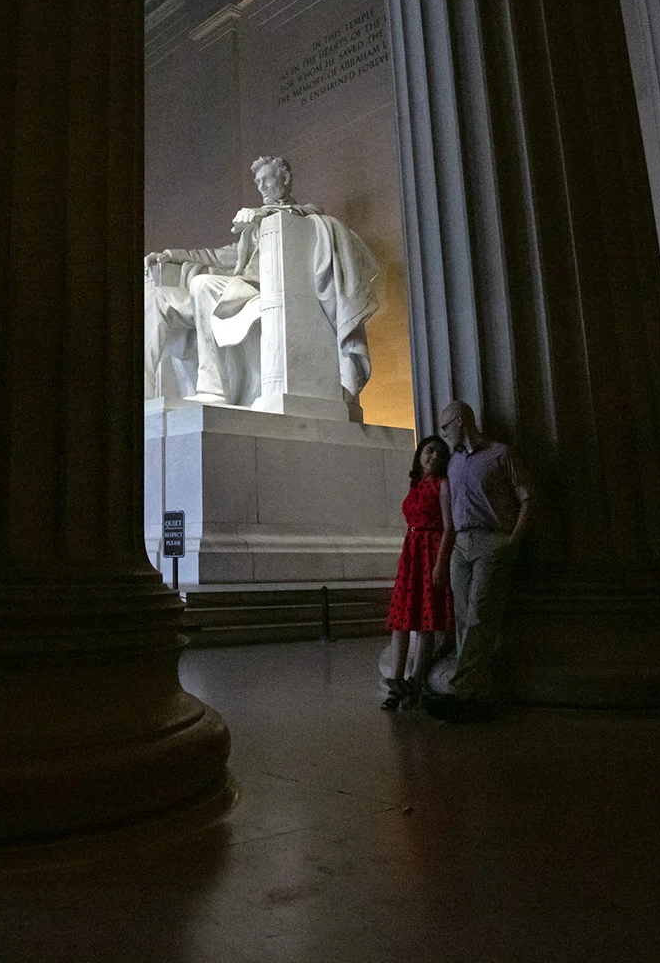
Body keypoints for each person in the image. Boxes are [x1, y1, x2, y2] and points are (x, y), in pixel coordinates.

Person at [143, 155, 379, 409]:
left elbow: (307, 213)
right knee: (156, 297)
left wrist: (263, 214)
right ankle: (143, 391)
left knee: (202, 284)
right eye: (257, 182)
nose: (261, 188)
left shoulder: (303, 217)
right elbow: (217, 255)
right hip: (233, 291)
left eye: (266, 180)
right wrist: (170, 255)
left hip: (259, 291)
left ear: (284, 179)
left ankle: (213, 389)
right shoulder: (256, 223)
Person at [427, 401, 533, 719]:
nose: (444, 435)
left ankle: (461, 692)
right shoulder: (454, 463)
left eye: (446, 427)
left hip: (492, 540)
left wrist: (512, 541)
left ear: (460, 422)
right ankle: (477, 692)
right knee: (463, 618)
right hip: (462, 543)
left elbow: (527, 497)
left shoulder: (501, 454)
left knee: (480, 615)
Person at [381, 435, 453, 710]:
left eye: (438, 454)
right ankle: (396, 682)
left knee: (426, 622)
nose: (433, 457)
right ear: (420, 455)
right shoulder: (415, 485)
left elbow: (449, 527)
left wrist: (440, 563)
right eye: (429, 451)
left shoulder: (442, 485)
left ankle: (415, 681)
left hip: (430, 551)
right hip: (412, 552)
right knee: (401, 620)